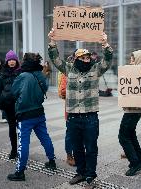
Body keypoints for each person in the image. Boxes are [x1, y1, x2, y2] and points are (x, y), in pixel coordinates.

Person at [48, 29, 113, 185]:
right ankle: (80, 173)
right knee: (77, 148)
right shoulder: (68, 68)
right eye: (82, 57)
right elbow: (55, 59)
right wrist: (52, 41)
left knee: (91, 148)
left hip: (90, 117)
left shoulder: (95, 69)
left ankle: (90, 175)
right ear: (76, 59)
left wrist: (105, 44)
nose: (86, 60)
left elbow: (107, 60)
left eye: (87, 57)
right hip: (73, 118)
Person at [7, 53, 56, 181]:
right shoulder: (40, 74)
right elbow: (44, 88)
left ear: (25, 62)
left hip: (25, 115)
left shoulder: (22, 76)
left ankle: (20, 172)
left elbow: (13, 92)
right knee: (45, 137)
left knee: (23, 144)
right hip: (39, 112)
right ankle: (52, 161)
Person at [0, 51, 21, 159]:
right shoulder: (3, 74)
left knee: (22, 129)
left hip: (20, 106)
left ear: (16, 61)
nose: (12, 62)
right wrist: (2, 95)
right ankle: (14, 150)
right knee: (12, 129)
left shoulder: (21, 73)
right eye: (9, 60)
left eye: (13, 60)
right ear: (7, 61)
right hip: (8, 107)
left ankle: (22, 150)